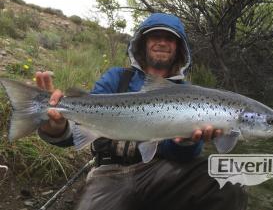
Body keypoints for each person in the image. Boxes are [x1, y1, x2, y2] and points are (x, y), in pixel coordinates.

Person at [36, 13, 247, 210]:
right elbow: (76, 132)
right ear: (143, 42)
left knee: (228, 177)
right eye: (155, 35)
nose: (162, 42)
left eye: (170, 38)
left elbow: (185, 156)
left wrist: (187, 142)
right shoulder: (116, 78)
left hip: (164, 174)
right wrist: (57, 128)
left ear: (180, 48)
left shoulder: (190, 94)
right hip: (110, 174)